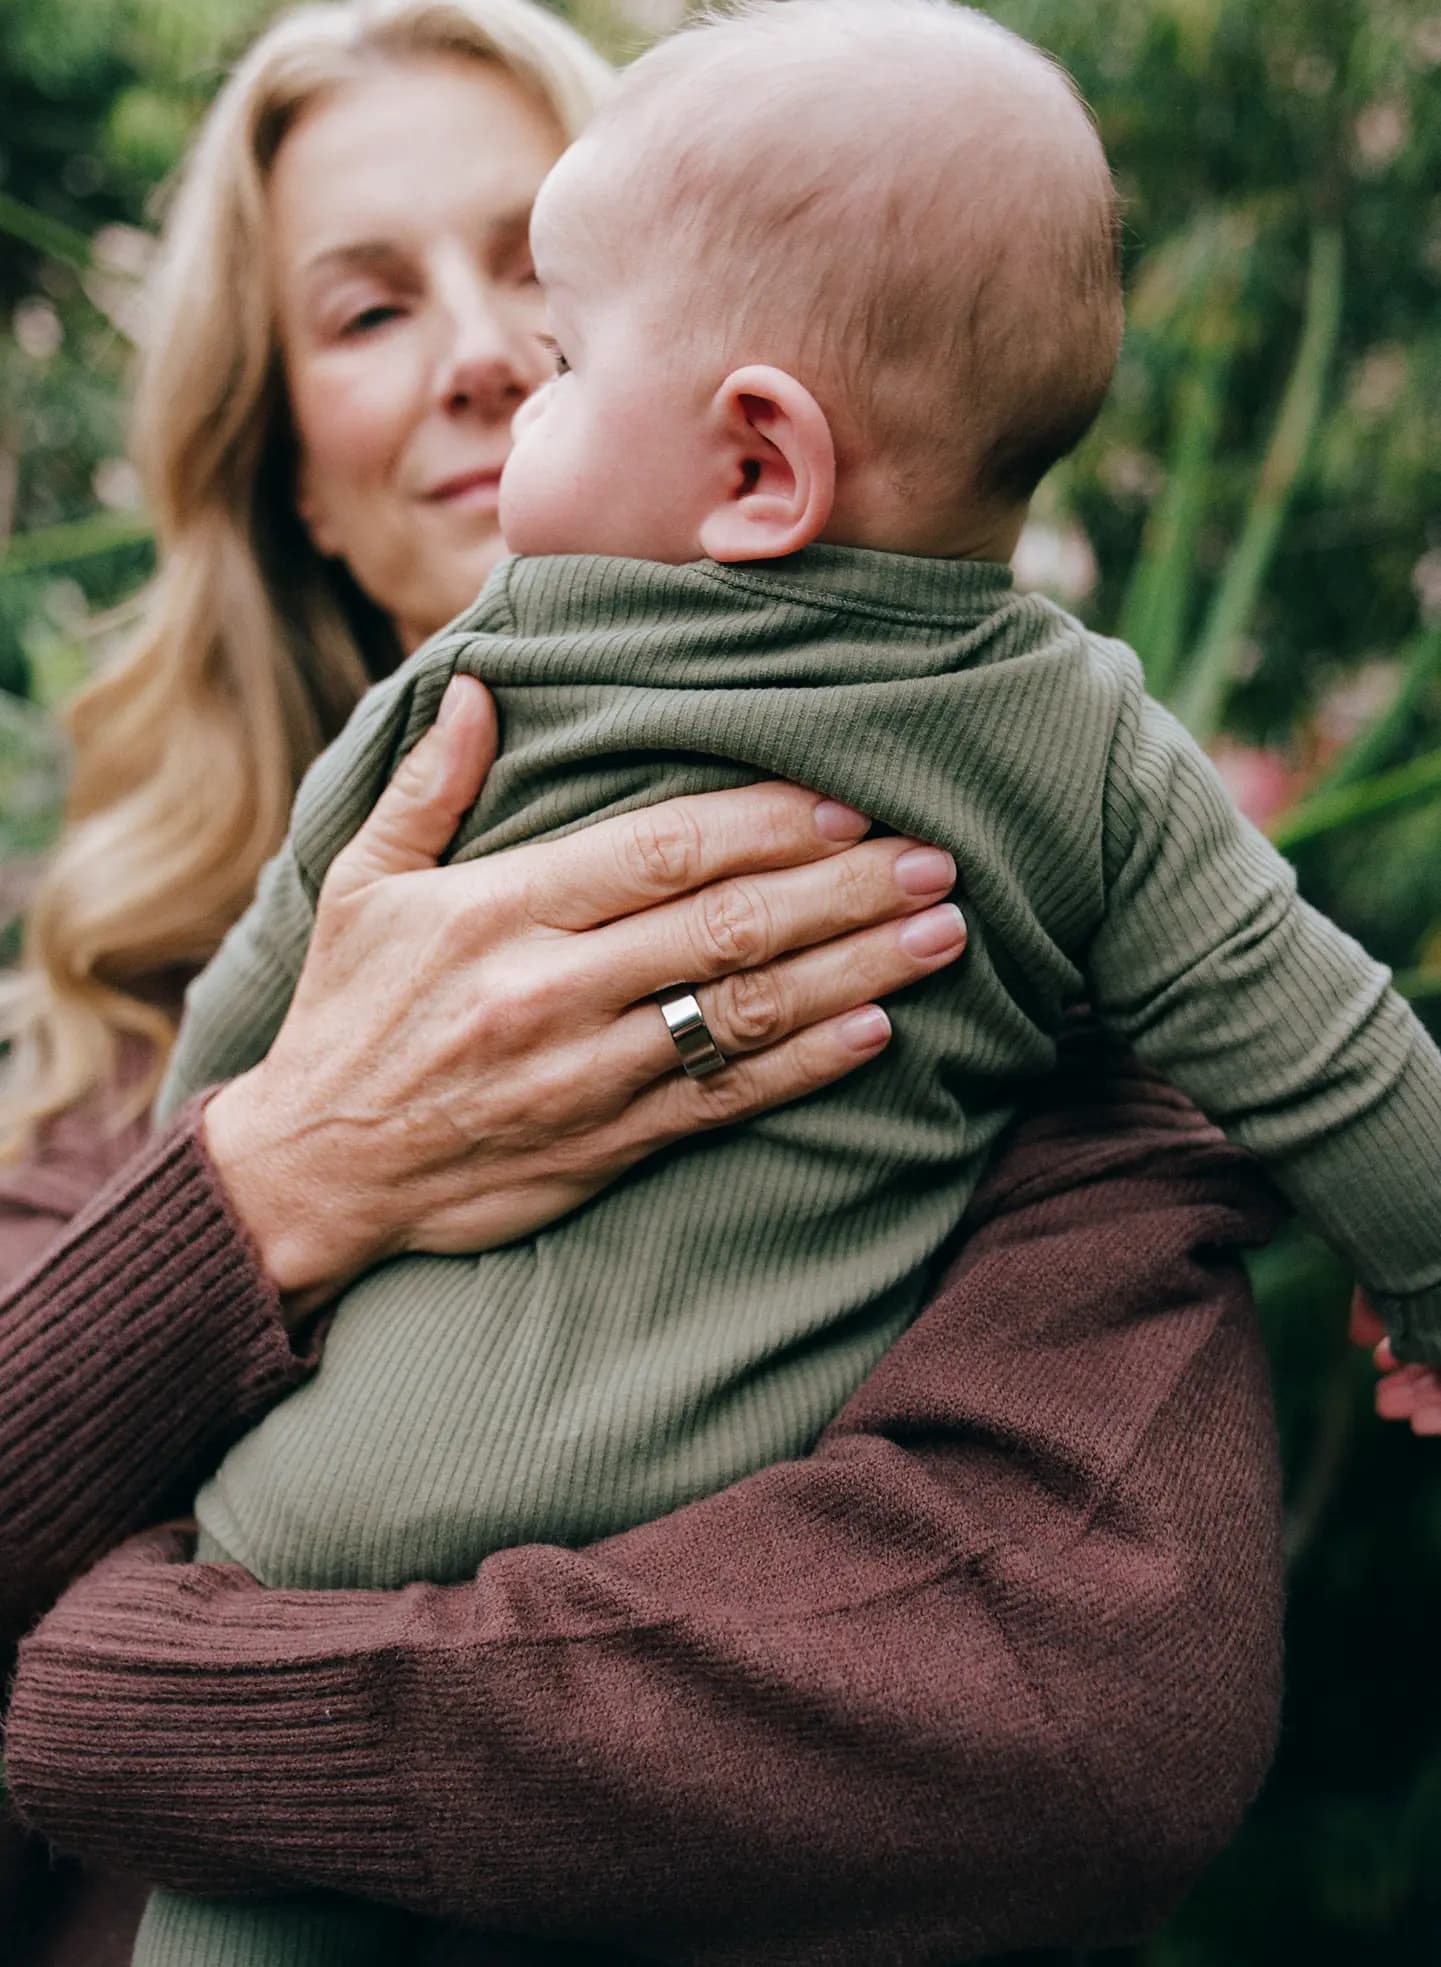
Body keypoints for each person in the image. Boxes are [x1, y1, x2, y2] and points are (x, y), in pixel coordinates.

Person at [2, 0, 1286, 1961]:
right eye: (362, 316)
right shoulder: (95, 1045)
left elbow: (1069, 1708)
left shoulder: (982, 936)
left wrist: (144, 1689)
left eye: (537, 270)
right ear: (287, 481)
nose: (482, 354)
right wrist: (268, 1177)